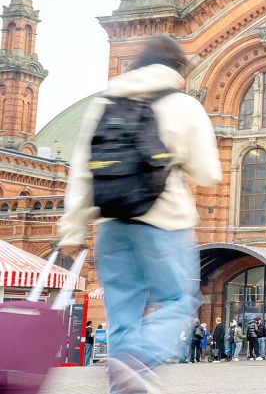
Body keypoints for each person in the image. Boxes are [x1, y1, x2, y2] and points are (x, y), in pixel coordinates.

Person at [57, 35, 222, 390]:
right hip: (164, 222)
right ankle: (141, 359)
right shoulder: (182, 103)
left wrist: (71, 232)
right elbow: (209, 173)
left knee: (122, 318)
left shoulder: (105, 101)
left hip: (112, 225)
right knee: (179, 299)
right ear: (177, 68)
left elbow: (82, 172)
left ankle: (124, 378)